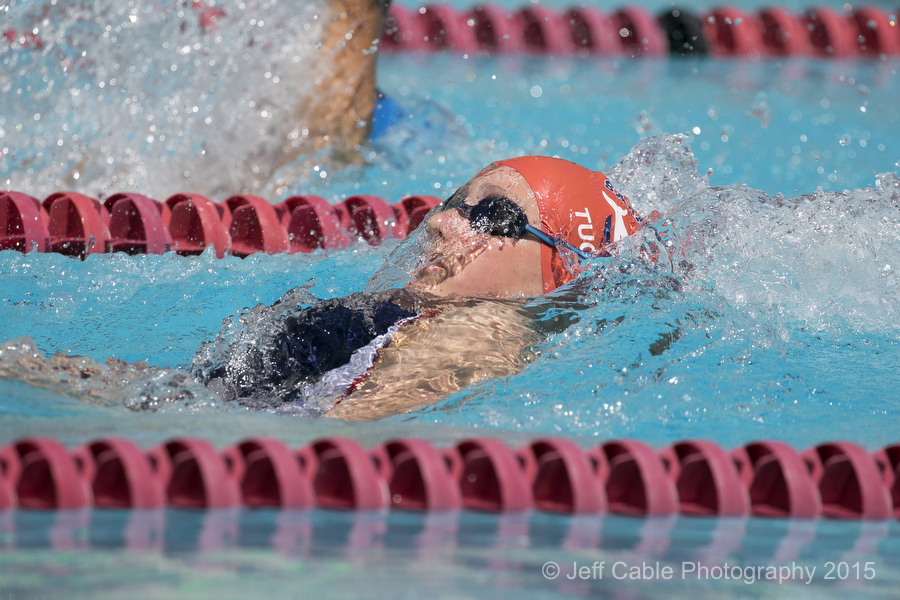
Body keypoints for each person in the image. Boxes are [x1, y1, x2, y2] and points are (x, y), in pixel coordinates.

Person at [192, 156, 643, 419]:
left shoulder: (480, 336)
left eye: (494, 215)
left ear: (561, 266)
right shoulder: (412, 313)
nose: (441, 222)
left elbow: (328, 439)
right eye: (455, 204)